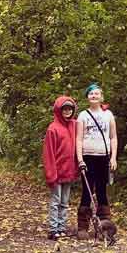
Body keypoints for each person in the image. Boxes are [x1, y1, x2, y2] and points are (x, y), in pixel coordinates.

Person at [76, 83, 118, 240]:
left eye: (96, 94)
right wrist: (80, 159)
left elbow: (113, 137)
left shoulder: (108, 115)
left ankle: (104, 228)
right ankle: (82, 227)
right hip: (88, 157)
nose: (94, 96)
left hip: (103, 157)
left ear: (101, 97)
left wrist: (113, 157)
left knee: (102, 192)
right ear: (87, 97)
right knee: (87, 192)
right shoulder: (83, 116)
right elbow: (79, 139)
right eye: (91, 94)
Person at [42, 96, 79, 240]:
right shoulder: (53, 128)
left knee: (65, 202)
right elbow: (48, 153)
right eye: (64, 109)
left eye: (70, 109)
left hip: (68, 171)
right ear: (59, 110)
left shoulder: (75, 125)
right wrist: (51, 174)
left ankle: (62, 227)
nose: (67, 111)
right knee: (55, 201)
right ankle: (53, 229)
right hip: (56, 172)